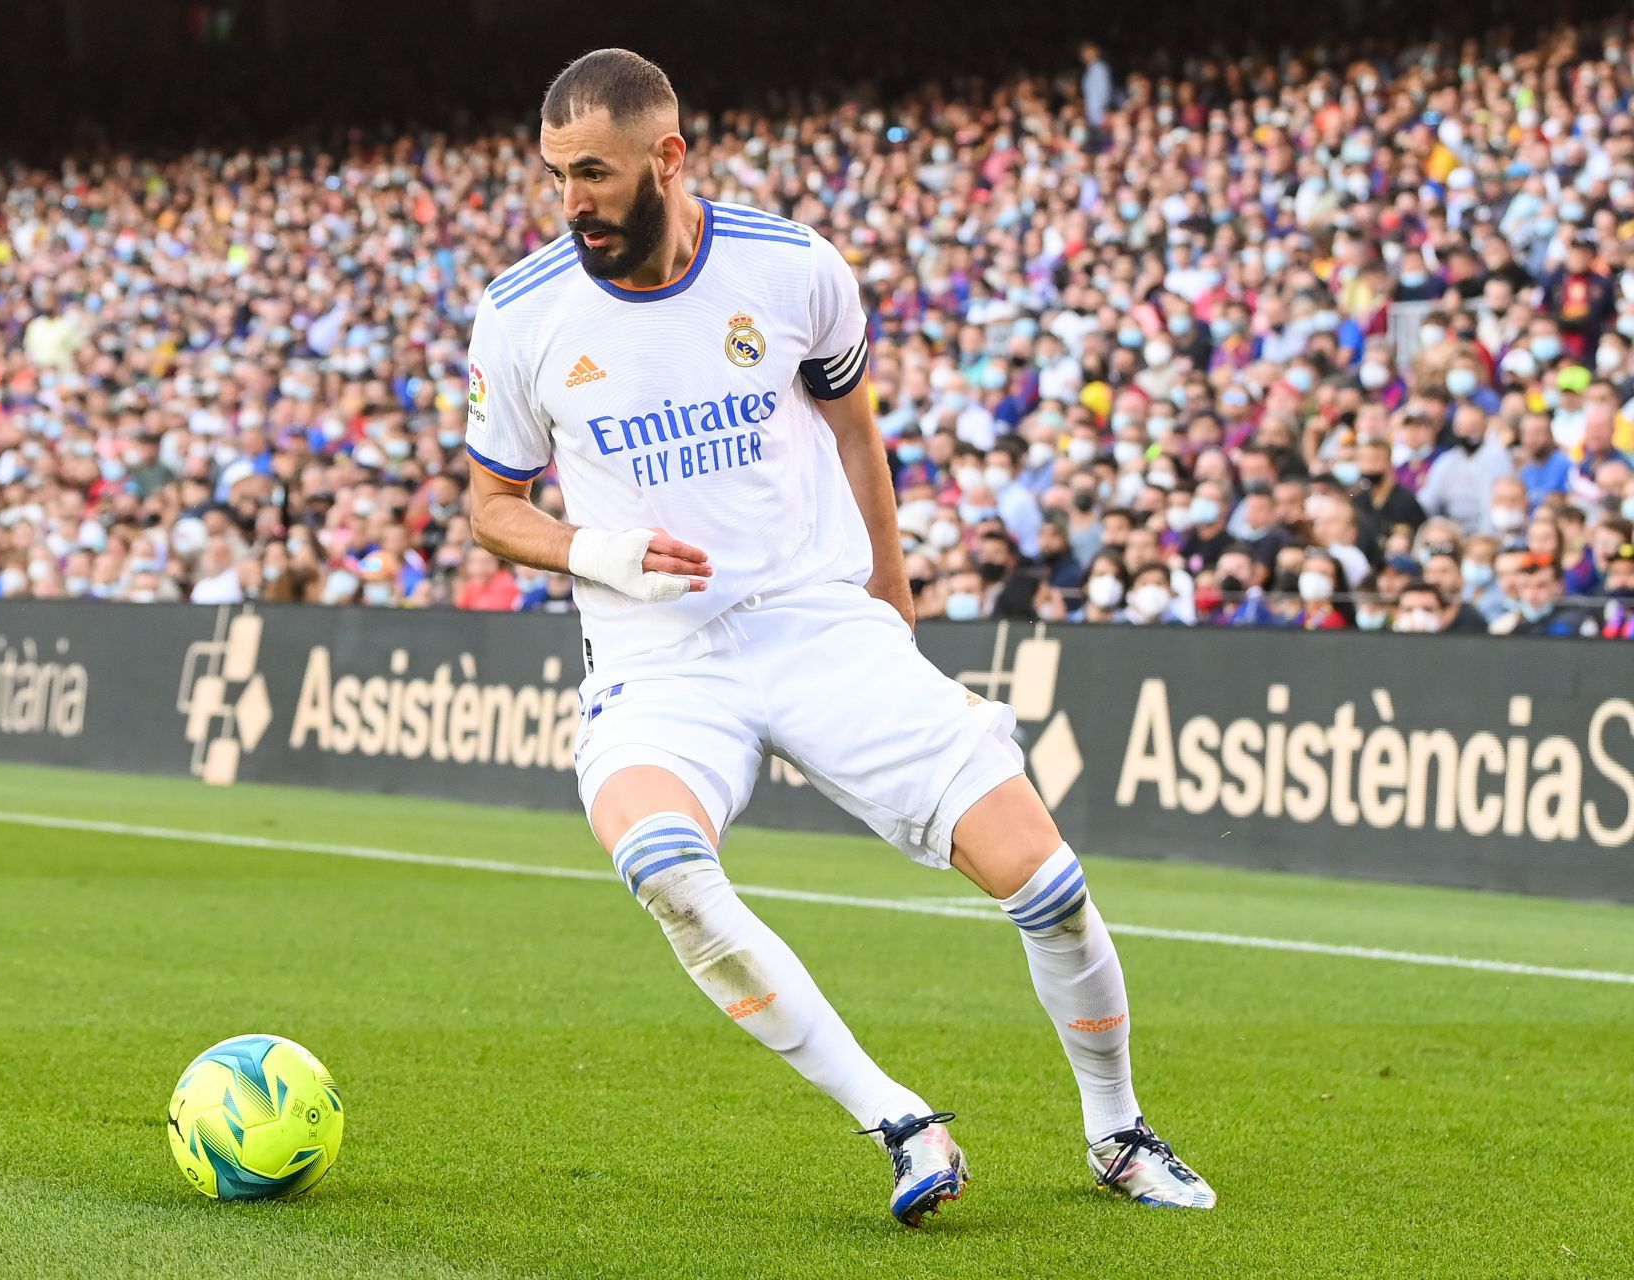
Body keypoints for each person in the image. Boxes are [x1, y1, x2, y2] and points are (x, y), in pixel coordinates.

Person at [462, 49, 1212, 1228]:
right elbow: (491, 504)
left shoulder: (792, 263)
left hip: (820, 625)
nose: (572, 201)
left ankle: (1116, 1127)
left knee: (1050, 885)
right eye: (556, 174)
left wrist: (892, 600)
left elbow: (856, 429)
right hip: (661, 663)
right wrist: (591, 552)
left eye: (594, 173)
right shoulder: (519, 314)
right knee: (665, 870)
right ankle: (900, 1119)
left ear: (668, 156)